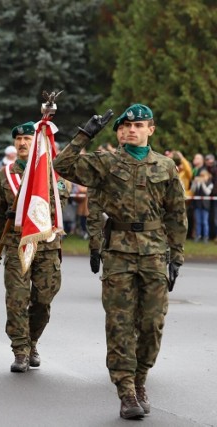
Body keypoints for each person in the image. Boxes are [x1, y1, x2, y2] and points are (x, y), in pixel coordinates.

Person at [53, 104, 187, 420]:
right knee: (120, 324)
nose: (130, 130)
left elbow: (176, 214)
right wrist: (86, 133)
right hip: (119, 254)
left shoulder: (166, 166)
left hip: (154, 253)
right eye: (125, 126)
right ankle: (126, 390)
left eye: (138, 125)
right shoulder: (106, 163)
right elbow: (63, 165)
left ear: (150, 130)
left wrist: (177, 255)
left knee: (152, 324)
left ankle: (141, 380)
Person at [0, 121, 69, 374]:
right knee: (16, 300)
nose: (22, 143)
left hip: (47, 245)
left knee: (43, 300)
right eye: (18, 139)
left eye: (27, 139)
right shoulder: (6, 174)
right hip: (15, 245)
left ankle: (32, 340)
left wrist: (27, 207)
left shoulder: (52, 173)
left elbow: (59, 207)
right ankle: (20, 350)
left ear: (37, 144)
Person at [88, 117, 126, 274]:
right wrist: (95, 247)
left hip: (149, 247)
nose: (128, 131)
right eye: (122, 128)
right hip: (115, 241)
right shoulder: (105, 166)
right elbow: (94, 211)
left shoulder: (158, 164)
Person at [191, 169, 213, 243]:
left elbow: (207, 192)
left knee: (205, 222)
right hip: (197, 204)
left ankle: (205, 237)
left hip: (205, 205)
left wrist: (203, 183)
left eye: (204, 176)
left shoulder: (210, 183)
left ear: (207, 176)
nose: (202, 177)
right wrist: (194, 183)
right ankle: (198, 236)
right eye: (201, 176)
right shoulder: (198, 183)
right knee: (198, 221)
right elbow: (193, 190)